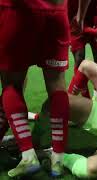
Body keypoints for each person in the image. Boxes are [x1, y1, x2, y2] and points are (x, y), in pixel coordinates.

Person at [0, 0, 70, 177]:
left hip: (17, 10)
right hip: (57, 10)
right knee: (57, 85)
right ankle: (58, 159)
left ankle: (28, 156)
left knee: (12, 84)